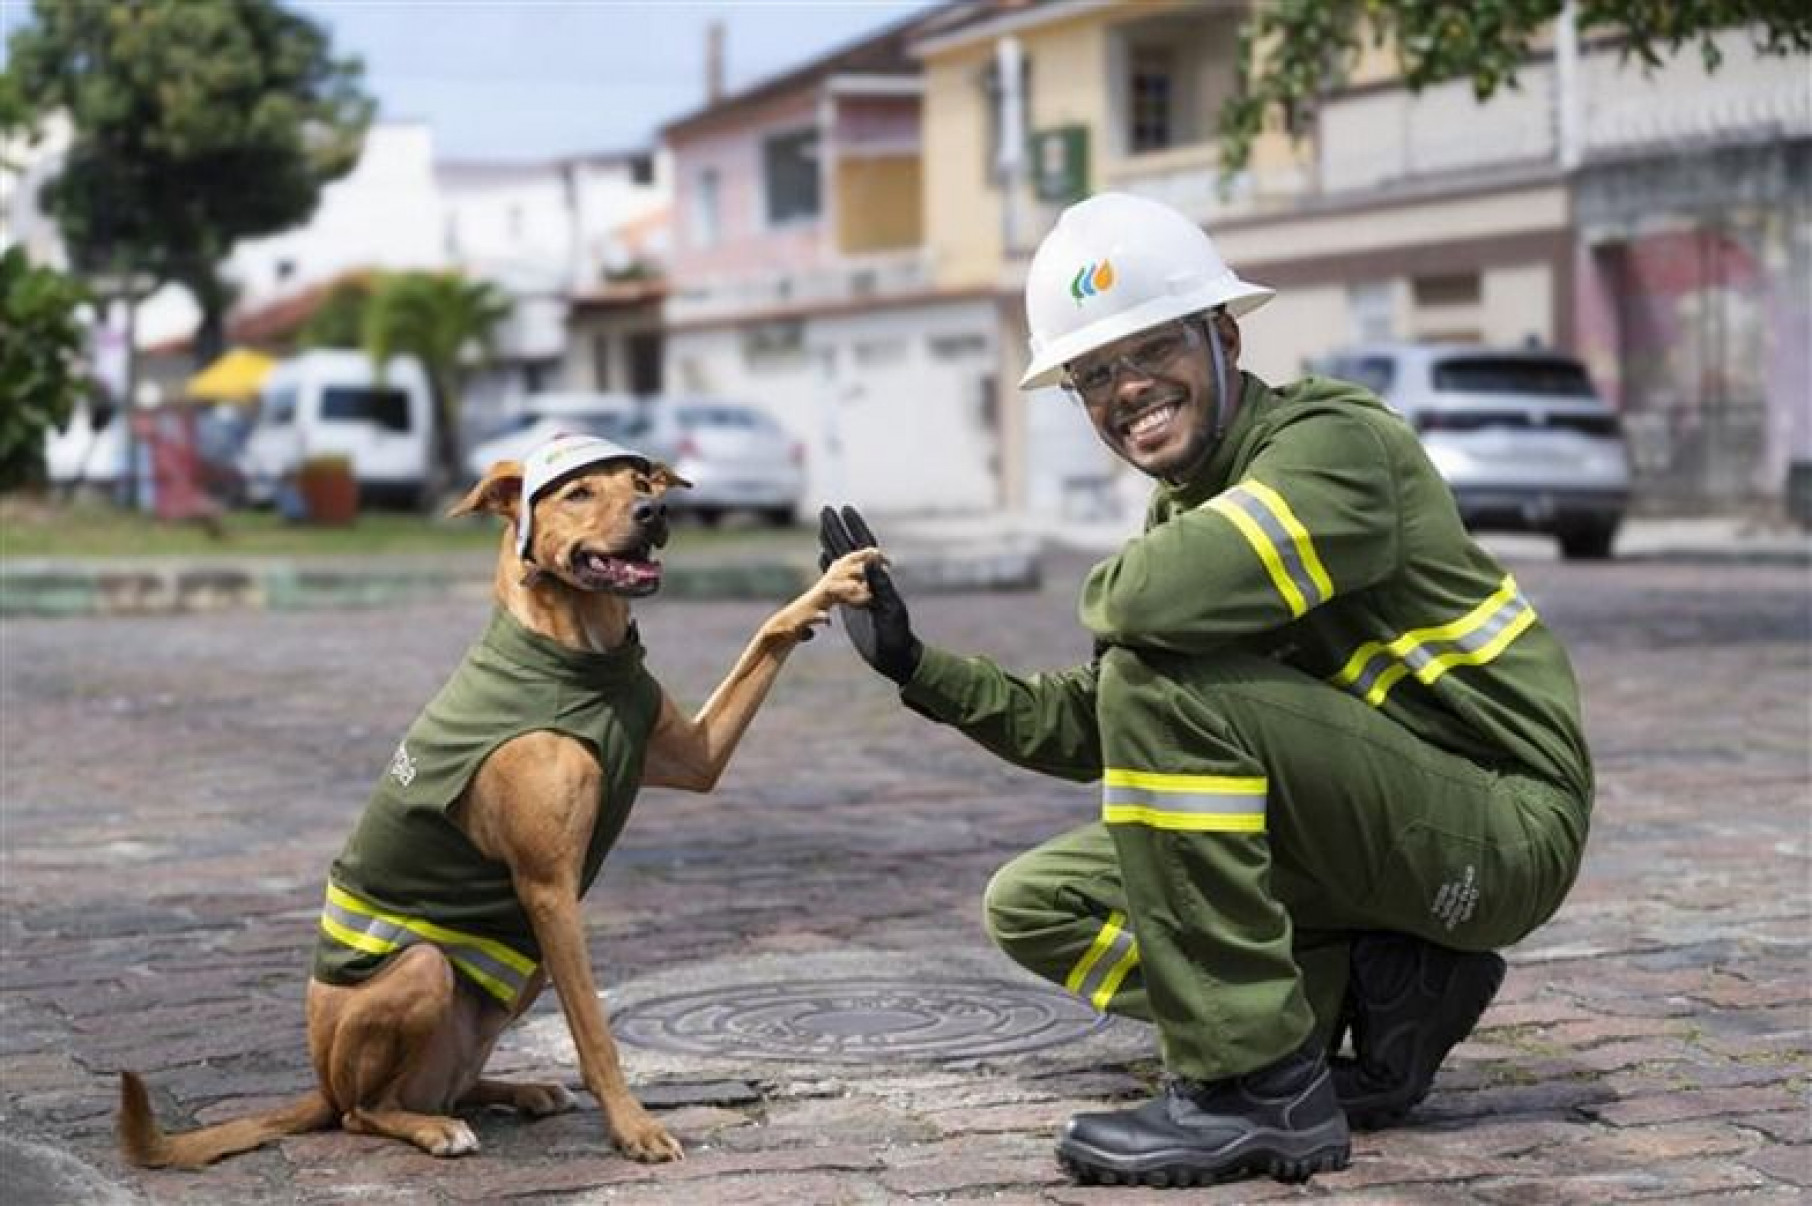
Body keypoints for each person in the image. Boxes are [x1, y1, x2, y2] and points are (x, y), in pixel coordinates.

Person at [818, 191, 1592, 1189]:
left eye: (1151, 349)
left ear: (1224, 337)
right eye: (1094, 375)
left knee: (1157, 677)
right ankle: (1370, 992)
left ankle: (1257, 1087)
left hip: (1503, 831)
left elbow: (1139, 618)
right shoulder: (1186, 511)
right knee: (1039, 903)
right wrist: (918, 666)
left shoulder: (1334, 445)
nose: (1127, 388)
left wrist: (1117, 604)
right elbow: (1103, 721)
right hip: (1365, 833)